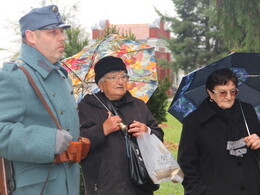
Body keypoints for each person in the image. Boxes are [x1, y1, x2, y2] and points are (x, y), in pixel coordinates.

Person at [0, 5, 80, 195]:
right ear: (31, 37)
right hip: (37, 188)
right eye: (53, 32)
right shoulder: (15, 77)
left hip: (67, 183)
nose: (62, 37)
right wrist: (48, 141)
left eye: (61, 32)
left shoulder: (61, 75)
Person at [78, 56, 164, 195]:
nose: (120, 81)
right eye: (113, 77)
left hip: (140, 185)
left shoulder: (138, 105)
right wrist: (102, 129)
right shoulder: (85, 108)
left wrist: (147, 131)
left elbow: (159, 136)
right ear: (100, 84)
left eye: (124, 76)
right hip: (106, 188)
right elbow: (79, 143)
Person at [178, 68, 260, 195]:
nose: (228, 97)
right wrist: (201, 192)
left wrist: (258, 143)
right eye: (222, 93)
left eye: (233, 92)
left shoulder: (247, 111)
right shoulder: (194, 121)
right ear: (210, 93)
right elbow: (187, 166)